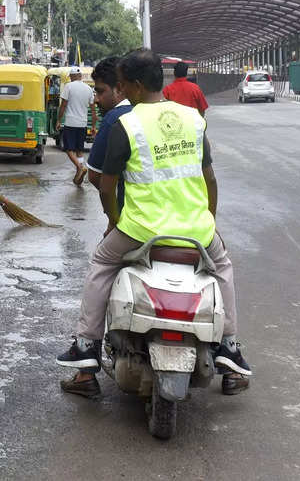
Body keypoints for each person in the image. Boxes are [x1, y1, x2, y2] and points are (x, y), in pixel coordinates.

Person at [56, 49, 251, 397]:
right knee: (222, 264)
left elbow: (106, 186)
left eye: (121, 83)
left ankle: (86, 347)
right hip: (195, 231)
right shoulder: (192, 120)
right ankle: (231, 346)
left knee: (101, 262)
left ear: (131, 85)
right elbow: (210, 180)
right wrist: (210, 222)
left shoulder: (125, 124)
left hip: (142, 231)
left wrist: (115, 222)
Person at [86, 56, 132, 228]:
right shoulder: (181, 116)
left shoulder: (113, 118)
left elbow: (96, 178)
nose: (96, 99)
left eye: (100, 91)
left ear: (119, 88)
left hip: (133, 220)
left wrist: (113, 219)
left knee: (101, 256)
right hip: (189, 223)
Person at [55, 67, 96, 185]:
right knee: (79, 150)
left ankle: (80, 167)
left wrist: (58, 120)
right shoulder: (88, 89)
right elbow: (93, 110)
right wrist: (93, 126)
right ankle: (79, 172)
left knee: (68, 149)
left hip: (71, 123)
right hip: (82, 124)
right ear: (81, 76)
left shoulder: (69, 87)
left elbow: (63, 105)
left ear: (72, 76)